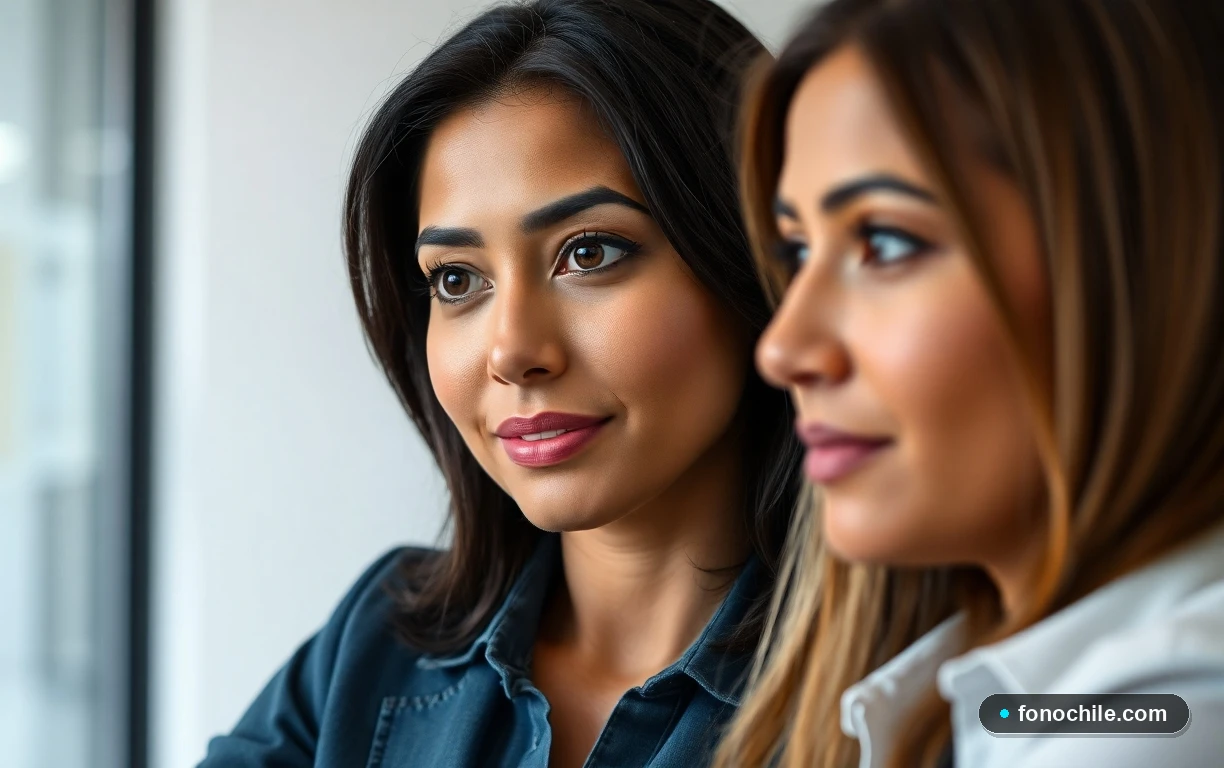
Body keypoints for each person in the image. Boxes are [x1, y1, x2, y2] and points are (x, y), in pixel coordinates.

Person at [199, 1, 801, 766]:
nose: (511, 351)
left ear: (758, 260)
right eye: (456, 279)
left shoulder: (955, 689)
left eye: (589, 254)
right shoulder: (375, 642)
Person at [714, 0, 1224, 766]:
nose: (784, 348)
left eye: (885, 242)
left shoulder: (1164, 718)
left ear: (1141, 267)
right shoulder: (995, 693)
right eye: (796, 252)